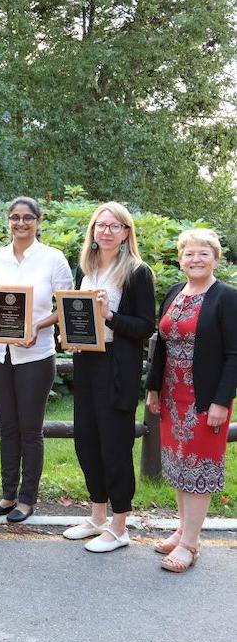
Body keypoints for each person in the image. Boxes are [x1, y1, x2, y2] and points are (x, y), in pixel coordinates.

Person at [62, 201, 155, 552]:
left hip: (118, 366)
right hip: (87, 361)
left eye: (115, 226)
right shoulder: (84, 267)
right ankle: (97, 516)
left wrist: (109, 314)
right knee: (87, 441)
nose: (106, 231)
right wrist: (69, 337)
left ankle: (120, 526)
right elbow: (75, 313)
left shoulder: (137, 271)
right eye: (101, 225)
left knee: (115, 445)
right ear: (93, 230)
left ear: (126, 232)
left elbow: (145, 327)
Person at [146, 228, 237, 572]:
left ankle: (190, 545)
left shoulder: (227, 297)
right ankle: (182, 529)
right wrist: (154, 388)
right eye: (189, 253)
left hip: (205, 399)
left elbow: (234, 354)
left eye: (203, 253)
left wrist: (221, 401)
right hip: (172, 396)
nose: (195, 259)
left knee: (199, 468)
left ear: (216, 259)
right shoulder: (173, 293)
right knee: (180, 467)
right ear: (180, 259)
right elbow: (162, 346)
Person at [0, 197, 73, 523]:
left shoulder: (54, 259)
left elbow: (65, 308)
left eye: (27, 217)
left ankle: (27, 499)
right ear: (8, 220)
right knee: (8, 428)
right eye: (15, 217)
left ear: (38, 220)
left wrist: (37, 324)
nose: (21, 223)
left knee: (30, 429)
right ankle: (7, 495)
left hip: (36, 353)